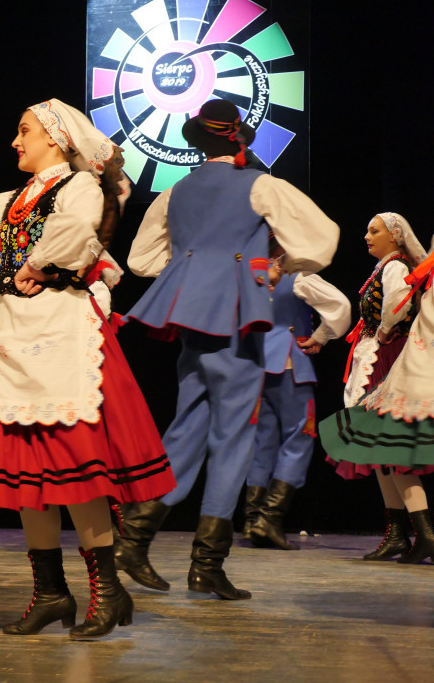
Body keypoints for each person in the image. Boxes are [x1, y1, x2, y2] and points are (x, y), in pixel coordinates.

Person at [0, 99, 176, 641]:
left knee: (74, 462)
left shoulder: (76, 187)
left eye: (24, 131)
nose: (16, 141)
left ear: (54, 139)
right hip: (10, 332)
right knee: (26, 469)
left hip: (59, 329)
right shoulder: (6, 201)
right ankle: (52, 592)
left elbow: (79, 229)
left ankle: (107, 588)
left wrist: (37, 263)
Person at [121, 98, 339, 600]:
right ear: (238, 139)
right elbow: (323, 241)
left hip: (192, 319)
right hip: (237, 319)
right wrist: (277, 266)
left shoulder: (175, 191)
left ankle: (133, 539)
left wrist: (196, 269)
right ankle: (206, 564)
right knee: (234, 436)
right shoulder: (260, 185)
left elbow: (141, 260)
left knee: (187, 426)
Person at [318, 213, 432, 563]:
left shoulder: (395, 266)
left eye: (375, 230)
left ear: (395, 236)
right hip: (378, 355)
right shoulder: (385, 266)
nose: (367, 235)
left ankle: (425, 533)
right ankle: (398, 533)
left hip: (388, 357)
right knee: (378, 451)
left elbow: (397, 305)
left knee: (390, 451)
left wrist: (382, 333)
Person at [243, 251, 351, 549]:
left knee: (260, 441)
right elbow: (340, 306)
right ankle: (269, 519)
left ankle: (252, 520)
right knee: (299, 436)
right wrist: (321, 335)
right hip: (288, 363)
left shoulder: (247, 272)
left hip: (253, 366)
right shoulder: (296, 276)